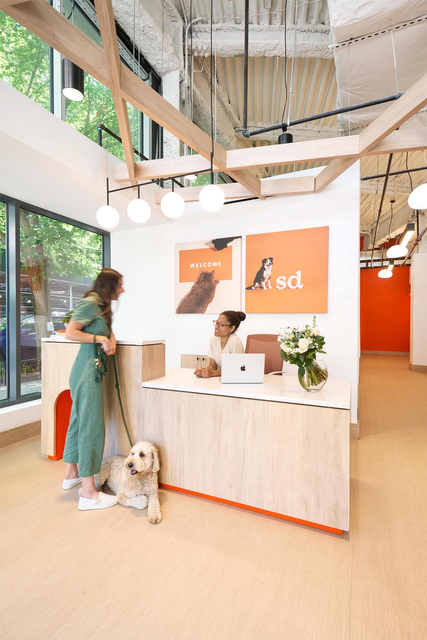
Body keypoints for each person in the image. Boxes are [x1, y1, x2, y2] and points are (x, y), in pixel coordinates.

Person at [62, 268, 125, 511]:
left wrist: (110, 338)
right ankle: (89, 493)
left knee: (78, 421)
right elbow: (71, 332)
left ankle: (71, 474)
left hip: (89, 368)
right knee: (90, 426)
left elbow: (103, 331)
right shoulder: (90, 302)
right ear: (110, 286)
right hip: (88, 370)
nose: (123, 289)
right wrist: (99, 339)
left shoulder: (101, 306)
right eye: (119, 285)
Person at [194, 310, 246, 378]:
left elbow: (237, 369)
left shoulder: (235, 342)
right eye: (216, 323)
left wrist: (214, 373)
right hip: (220, 380)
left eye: (221, 325)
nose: (216, 327)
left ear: (232, 328)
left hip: (234, 380)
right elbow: (212, 365)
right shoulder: (213, 339)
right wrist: (204, 371)